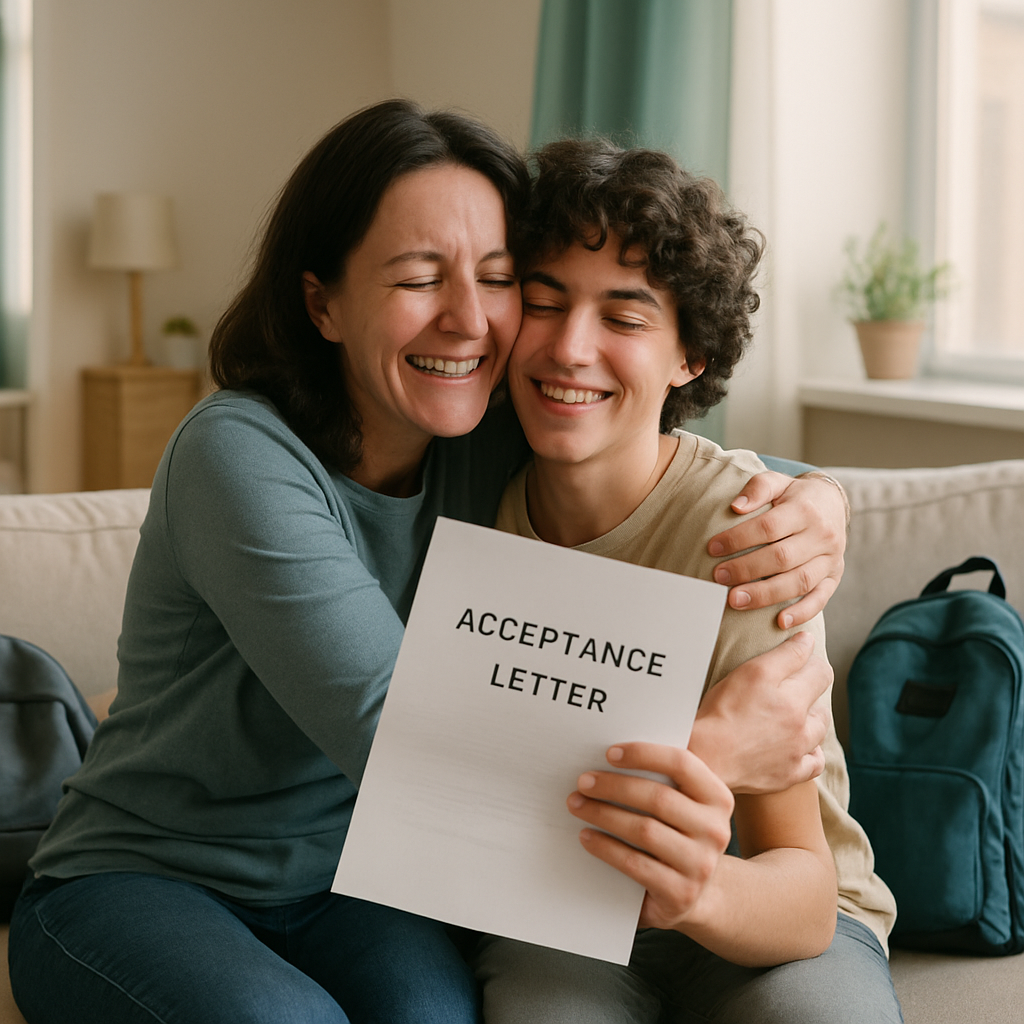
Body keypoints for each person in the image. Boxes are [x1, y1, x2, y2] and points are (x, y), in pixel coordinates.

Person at [9, 100, 847, 1024]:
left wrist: (819, 499)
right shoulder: (237, 456)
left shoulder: (482, 434)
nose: (466, 321)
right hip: (143, 877)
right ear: (321, 300)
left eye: (495, 280)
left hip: (354, 884)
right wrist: (713, 744)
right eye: (417, 278)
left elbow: (656, 448)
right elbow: (398, 732)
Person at [472, 139, 902, 1023]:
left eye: (624, 320)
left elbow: (805, 894)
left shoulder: (751, 538)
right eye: (542, 304)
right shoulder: (467, 501)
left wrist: (694, 892)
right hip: (556, 911)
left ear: (689, 356)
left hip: (767, 911)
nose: (569, 349)